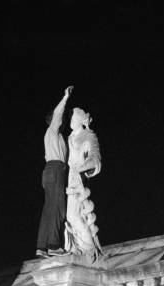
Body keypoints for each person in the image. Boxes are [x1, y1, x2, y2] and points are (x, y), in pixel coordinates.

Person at [36, 86, 73, 258]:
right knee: (58, 207)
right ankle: (53, 244)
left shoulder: (56, 137)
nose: (62, 121)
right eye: (59, 119)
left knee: (49, 209)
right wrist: (65, 98)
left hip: (51, 171)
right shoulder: (52, 132)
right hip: (55, 170)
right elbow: (58, 115)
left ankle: (42, 246)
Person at [64, 107, 102, 260]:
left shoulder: (89, 135)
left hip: (78, 181)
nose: (71, 121)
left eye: (73, 118)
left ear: (80, 120)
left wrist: (81, 168)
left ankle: (89, 249)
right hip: (66, 181)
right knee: (68, 219)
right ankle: (77, 248)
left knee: (74, 215)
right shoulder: (68, 138)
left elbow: (95, 158)